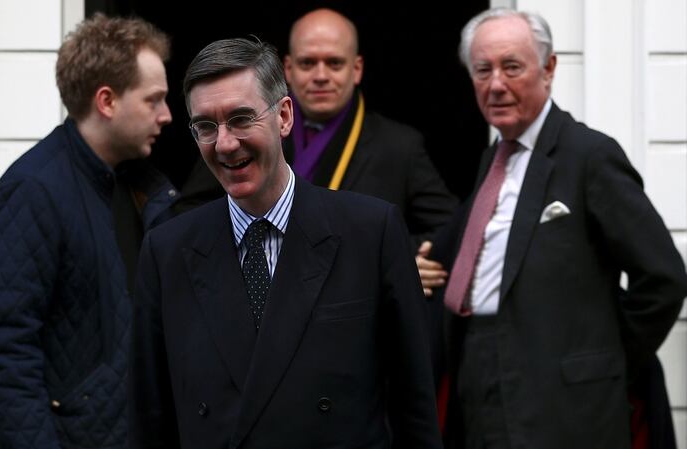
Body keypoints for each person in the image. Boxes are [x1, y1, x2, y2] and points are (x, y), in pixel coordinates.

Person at [129, 37, 443, 449]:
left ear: (284, 116)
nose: (224, 143)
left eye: (241, 119)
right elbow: (150, 422)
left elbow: (414, 411)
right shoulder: (166, 251)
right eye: (206, 126)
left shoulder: (372, 231)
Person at [421, 8, 687, 449]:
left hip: (566, 404)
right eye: (483, 70)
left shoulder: (588, 156)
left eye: (512, 67)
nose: (496, 84)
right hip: (480, 378)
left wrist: (601, 359)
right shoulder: (493, 161)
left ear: (548, 69)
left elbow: (663, 278)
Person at [0, 14, 177, 449]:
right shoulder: (32, 192)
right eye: (153, 100)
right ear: (107, 101)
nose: (167, 116)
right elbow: (6, 348)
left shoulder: (146, 188)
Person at [176, 8, 456, 247]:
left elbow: (454, 229)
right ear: (288, 68)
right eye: (308, 63)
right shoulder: (239, 131)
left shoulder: (399, 145)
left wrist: (398, 258)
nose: (320, 76)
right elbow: (186, 215)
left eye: (334, 63)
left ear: (356, 69)